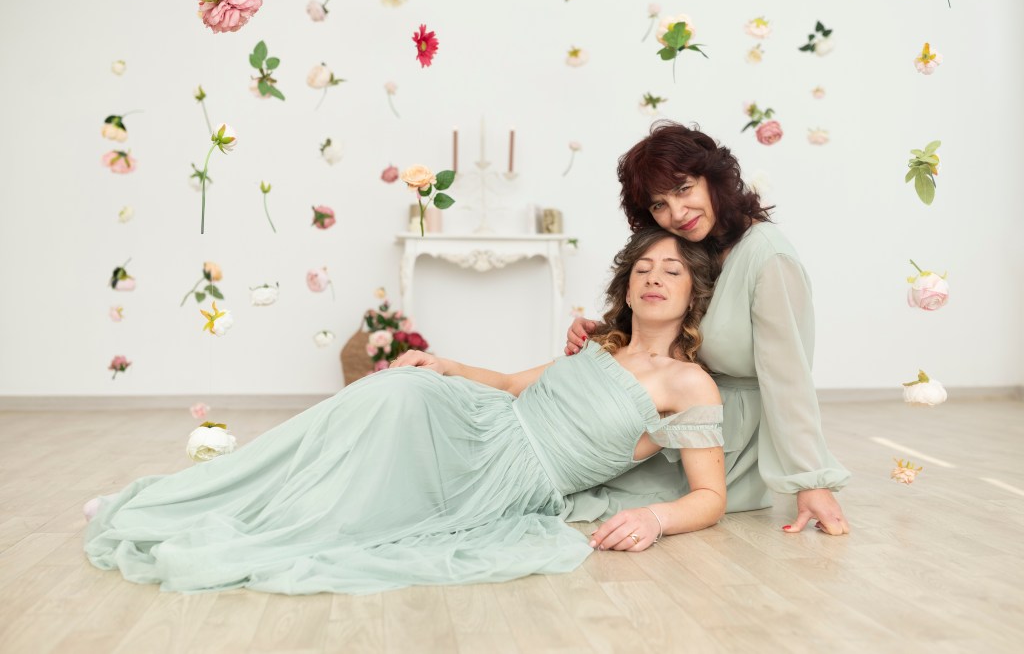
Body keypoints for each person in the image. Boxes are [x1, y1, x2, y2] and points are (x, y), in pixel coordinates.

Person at [83, 227, 726, 595]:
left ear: (693, 294)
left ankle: (205, 513)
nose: (654, 278)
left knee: (364, 489)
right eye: (643, 268)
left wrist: (654, 518)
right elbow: (509, 383)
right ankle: (185, 497)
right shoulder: (599, 347)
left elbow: (710, 496)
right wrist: (444, 364)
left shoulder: (690, 385)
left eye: (671, 271)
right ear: (626, 287)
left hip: (510, 476)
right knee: (390, 390)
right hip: (481, 420)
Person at [565, 122, 852, 536]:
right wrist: (602, 332)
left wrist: (811, 481)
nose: (677, 213)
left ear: (713, 179)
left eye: (684, 189)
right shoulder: (696, 244)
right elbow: (668, 326)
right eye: (659, 204)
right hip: (675, 418)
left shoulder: (768, 258)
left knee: (578, 490)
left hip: (726, 441)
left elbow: (788, 378)